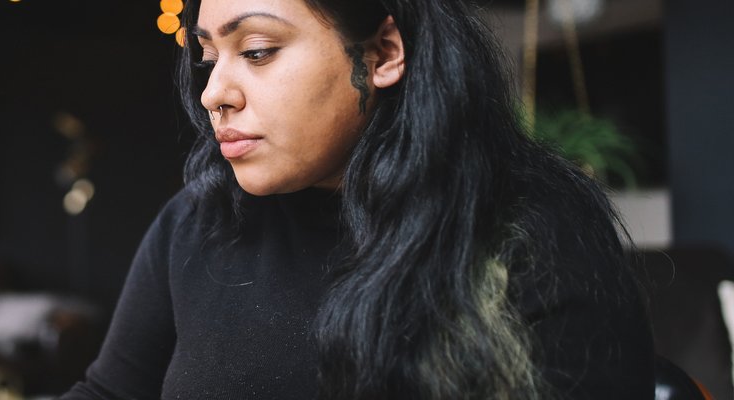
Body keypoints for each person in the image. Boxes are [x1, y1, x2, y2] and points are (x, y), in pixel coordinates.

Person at [61, 0, 654, 398]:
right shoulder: (196, 221)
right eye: (209, 57)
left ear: (381, 54)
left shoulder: (528, 238)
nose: (214, 92)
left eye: (259, 50)